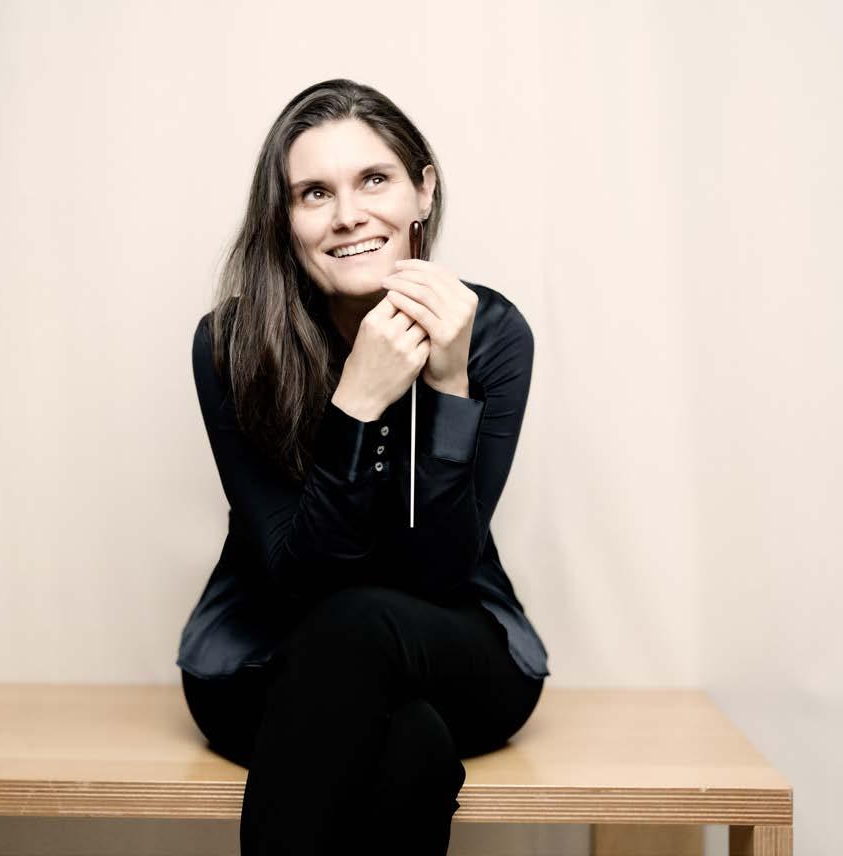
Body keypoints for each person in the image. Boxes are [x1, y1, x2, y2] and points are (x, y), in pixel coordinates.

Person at [177, 78, 550, 856]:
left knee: (364, 628)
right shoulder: (230, 345)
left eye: (373, 179)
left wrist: (447, 385)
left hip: (446, 650)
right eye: (314, 193)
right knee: (409, 744)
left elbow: (438, 575)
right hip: (265, 661)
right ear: (284, 219)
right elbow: (296, 579)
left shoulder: (491, 334)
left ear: (423, 191)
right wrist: (356, 402)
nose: (347, 214)